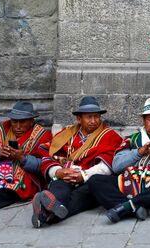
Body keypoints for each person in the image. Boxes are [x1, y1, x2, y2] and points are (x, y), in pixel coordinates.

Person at [31, 96, 122, 228]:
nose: (93, 121)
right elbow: (48, 154)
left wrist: (83, 176)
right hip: (66, 176)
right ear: (79, 119)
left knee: (81, 197)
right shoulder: (67, 134)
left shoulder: (109, 136)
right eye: (89, 117)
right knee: (59, 186)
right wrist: (58, 171)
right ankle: (51, 209)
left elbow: (107, 166)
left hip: (89, 180)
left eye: (96, 117)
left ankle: (46, 213)